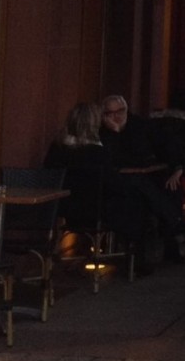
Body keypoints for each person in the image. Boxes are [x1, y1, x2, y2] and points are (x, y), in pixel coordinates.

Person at [45, 102, 155, 274]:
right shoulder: (96, 152)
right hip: (95, 210)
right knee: (137, 202)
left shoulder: (57, 147)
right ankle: (136, 262)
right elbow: (113, 182)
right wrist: (116, 134)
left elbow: (48, 176)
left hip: (62, 208)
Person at [98, 94, 185, 264]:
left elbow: (166, 145)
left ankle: (171, 247)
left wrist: (177, 168)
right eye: (110, 113)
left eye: (120, 111)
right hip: (119, 182)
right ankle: (175, 223)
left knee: (170, 187)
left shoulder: (140, 125)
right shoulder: (103, 132)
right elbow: (114, 161)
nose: (116, 116)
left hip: (147, 175)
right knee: (141, 192)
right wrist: (116, 132)